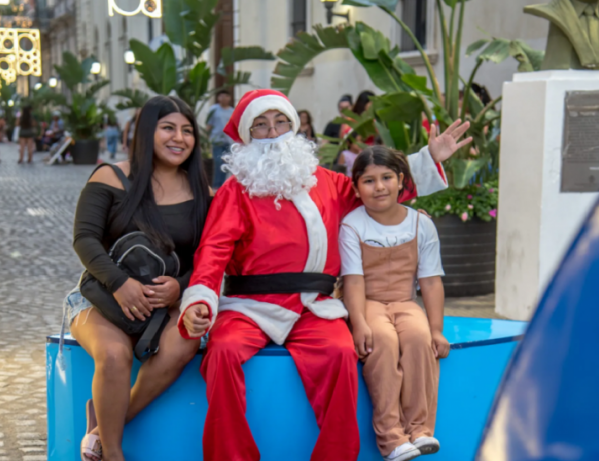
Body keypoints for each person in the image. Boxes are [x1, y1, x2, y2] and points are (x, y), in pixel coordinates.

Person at [176, 89, 470, 461]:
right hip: (251, 305)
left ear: (295, 126)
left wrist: (428, 159)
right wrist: (200, 298)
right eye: (262, 125)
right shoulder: (235, 191)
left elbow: (378, 190)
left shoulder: (327, 182)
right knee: (223, 350)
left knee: (340, 352)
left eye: (281, 121)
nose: (274, 131)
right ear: (248, 136)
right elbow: (214, 249)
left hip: (315, 306)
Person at [66, 96, 210, 461]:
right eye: (168, 128)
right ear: (147, 132)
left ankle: (100, 426)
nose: (179, 138)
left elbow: (211, 255)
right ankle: (112, 453)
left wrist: (181, 286)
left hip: (167, 306)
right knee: (114, 355)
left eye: (187, 131)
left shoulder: (203, 192)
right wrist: (120, 283)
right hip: (103, 297)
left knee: (185, 343)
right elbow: (84, 238)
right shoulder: (110, 176)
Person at [340, 147, 448, 461]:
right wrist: (358, 321)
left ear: (401, 181)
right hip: (369, 302)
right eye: (369, 181)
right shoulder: (352, 225)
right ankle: (391, 438)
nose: (380, 187)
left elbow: (430, 280)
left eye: (387, 177)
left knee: (418, 338)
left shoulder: (420, 224)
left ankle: (420, 429)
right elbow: (354, 280)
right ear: (356, 187)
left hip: (405, 301)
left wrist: (437, 329)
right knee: (382, 341)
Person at [205, 90, 235, 190]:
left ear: (229, 98)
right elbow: (209, 123)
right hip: (216, 139)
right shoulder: (214, 109)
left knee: (226, 164)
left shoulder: (232, 111)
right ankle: (216, 185)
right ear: (218, 98)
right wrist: (207, 136)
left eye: (226, 96)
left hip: (229, 141)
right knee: (218, 162)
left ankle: (223, 186)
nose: (224, 98)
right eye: (221, 96)